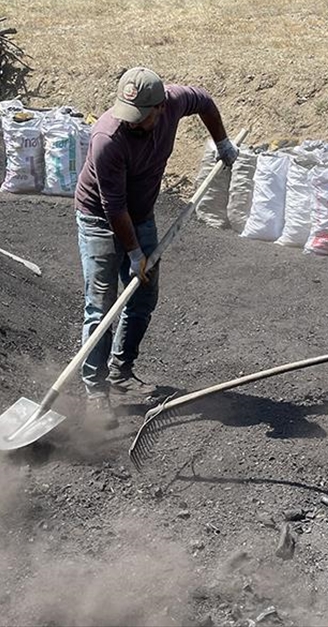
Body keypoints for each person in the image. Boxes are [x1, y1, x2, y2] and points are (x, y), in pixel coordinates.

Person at [74, 66, 237, 427]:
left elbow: (207, 102)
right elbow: (113, 206)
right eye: (126, 114)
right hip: (100, 220)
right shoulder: (107, 138)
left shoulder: (176, 101)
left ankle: (121, 370)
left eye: (139, 117)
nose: (131, 122)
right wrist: (134, 254)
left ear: (159, 108)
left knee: (144, 297)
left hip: (142, 214)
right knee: (100, 306)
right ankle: (95, 392)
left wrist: (222, 142)